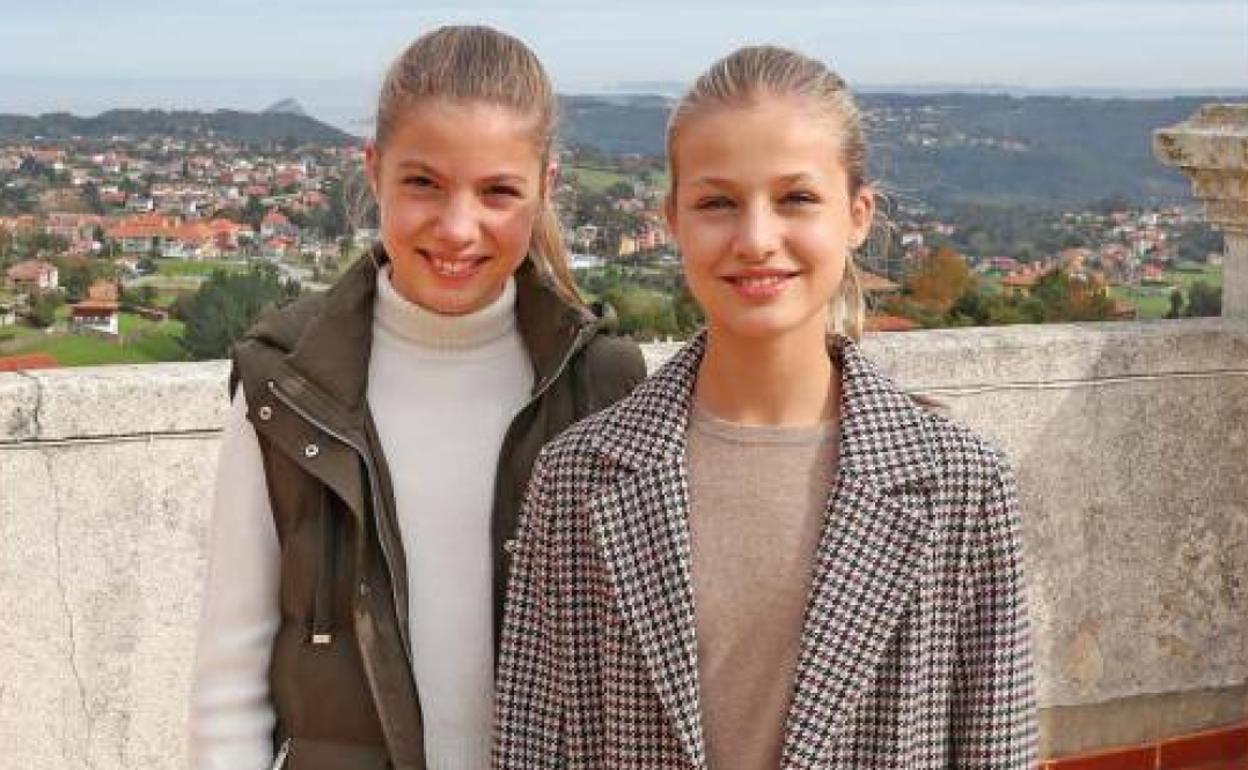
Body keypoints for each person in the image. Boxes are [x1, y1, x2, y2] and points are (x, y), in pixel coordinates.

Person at [494, 45, 1036, 769]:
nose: (755, 240)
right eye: (718, 202)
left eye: (796, 199)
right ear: (673, 220)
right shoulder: (576, 480)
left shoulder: (963, 487)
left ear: (858, 214)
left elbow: (994, 751)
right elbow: (528, 748)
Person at [188, 25, 646, 770]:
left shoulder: (601, 385)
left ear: (546, 189)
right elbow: (229, 683)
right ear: (373, 171)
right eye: (423, 183)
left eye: (498, 191)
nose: (457, 227)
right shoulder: (289, 386)